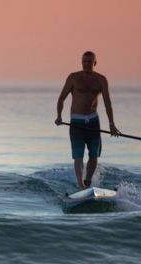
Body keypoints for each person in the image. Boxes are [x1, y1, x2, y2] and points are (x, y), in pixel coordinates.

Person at [55, 51, 121, 189]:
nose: (86, 64)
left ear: (95, 63)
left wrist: (112, 124)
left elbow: (108, 103)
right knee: (78, 155)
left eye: (89, 61)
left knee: (93, 155)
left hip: (93, 122)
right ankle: (80, 186)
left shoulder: (101, 79)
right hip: (77, 122)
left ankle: (88, 181)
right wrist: (59, 116)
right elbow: (61, 98)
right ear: (81, 62)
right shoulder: (73, 77)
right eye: (84, 61)